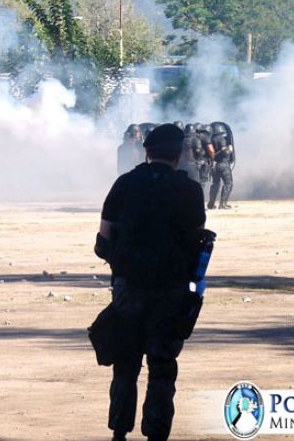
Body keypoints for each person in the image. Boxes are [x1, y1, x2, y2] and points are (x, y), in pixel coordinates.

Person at [95, 124, 206, 441]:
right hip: (170, 290)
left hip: (129, 287)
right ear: (180, 154)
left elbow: (103, 241)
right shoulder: (190, 190)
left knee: (126, 364)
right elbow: (198, 242)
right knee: (161, 367)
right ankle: (156, 434)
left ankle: (119, 431)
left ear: (146, 151)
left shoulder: (125, 184)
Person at [207, 122, 235, 209]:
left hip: (214, 165)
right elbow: (225, 152)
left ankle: (211, 204)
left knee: (215, 184)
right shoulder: (222, 139)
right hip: (223, 164)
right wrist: (230, 150)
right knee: (228, 184)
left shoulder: (210, 140)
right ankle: (223, 204)